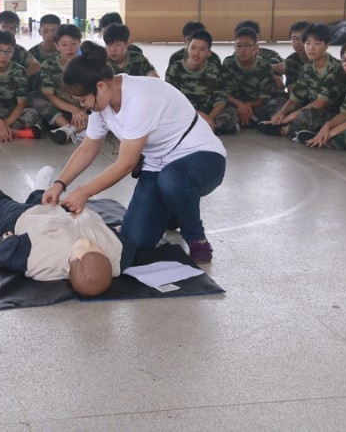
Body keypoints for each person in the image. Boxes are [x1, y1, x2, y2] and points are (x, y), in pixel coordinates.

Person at [42, 41, 227, 264]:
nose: (84, 107)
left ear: (100, 86)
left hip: (202, 158)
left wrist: (84, 191)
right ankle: (174, 209)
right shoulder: (101, 106)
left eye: (83, 100)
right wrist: (59, 183)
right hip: (157, 165)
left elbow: (126, 164)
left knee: (172, 180)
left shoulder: (140, 98)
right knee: (136, 240)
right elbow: (88, 148)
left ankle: (197, 239)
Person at [0, 165, 135, 296]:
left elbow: (9, 254)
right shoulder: (119, 256)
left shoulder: (39, 261)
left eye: (82, 248)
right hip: (65, 209)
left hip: (25, 218)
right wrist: (114, 231)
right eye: (96, 247)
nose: (87, 242)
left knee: (0, 208)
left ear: (68, 268)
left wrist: (9, 238)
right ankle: (40, 189)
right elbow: (127, 244)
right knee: (45, 199)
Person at [257, 23, 346, 140]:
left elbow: (320, 103)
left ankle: (285, 129)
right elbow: (295, 98)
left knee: (306, 115)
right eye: (308, 43)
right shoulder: (308, 67)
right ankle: (291, 128)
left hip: (332, 113)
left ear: (326, 46)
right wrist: (282, 113)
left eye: (317, 43)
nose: (311, 48)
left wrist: (289, 117)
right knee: (277, 106)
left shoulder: (336, 68)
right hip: (308, 106)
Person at [165, 29, 234, 134]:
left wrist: (210, 117)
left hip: (207, 113)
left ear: (209, 53)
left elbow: (220, 100)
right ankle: (208, 130)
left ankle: (200, 128)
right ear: (188, 48)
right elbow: (171, 100)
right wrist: (198, 114)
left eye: (202, 49)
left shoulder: (214, 71)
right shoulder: (175, 69)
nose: (196, 53)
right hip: (183, 113)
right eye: (193, 48)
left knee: (231, 113)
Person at [221, 26, 286, 129]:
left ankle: (244, 121)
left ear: (255, 47)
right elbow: (224, 91)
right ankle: (254, 121)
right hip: (235, 103)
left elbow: (264, 97)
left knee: (278, 105)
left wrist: (248, 106)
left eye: (247, 46)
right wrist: (239, 104)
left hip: (256, 104)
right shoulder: (228, 63)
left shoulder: (264, 66)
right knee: (224, 111)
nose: (242, 50)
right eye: (238, 46)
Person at [35, 24, 89, 144]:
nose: (69, 48)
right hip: (60, 111)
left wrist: (82, 111)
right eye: (64, 44)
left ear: (80, 43)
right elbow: (50, 95)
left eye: (73, 43)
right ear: (57, 46)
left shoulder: (89, 65)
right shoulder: (48, 65)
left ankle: (71, 130)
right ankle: (70, 128)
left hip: (86, 110)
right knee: (34, 97)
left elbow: (95, 95)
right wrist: (73, 109)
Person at [0, 11, 41, 78]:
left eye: (12, 28)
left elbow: (36, 65)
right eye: (5, 26)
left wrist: (21, 78)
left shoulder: (19, 49)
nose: (9, 30)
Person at [284, 21, 311, 94]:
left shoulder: (320, 60)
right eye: (294, 38)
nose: (297, 42)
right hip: (299, 99)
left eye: (301, 38)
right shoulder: (291, 60)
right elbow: (290, 87)